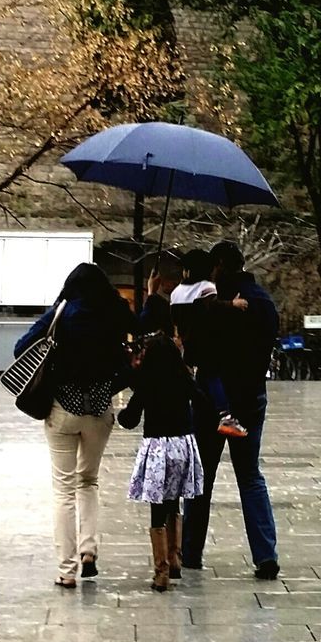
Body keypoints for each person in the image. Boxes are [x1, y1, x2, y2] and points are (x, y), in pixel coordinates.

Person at [14, 263, 135, 588]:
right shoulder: (113, 314)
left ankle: (67, 570)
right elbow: (134, 345)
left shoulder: (63, 312)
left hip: (61, 411)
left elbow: (20, 347)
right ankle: (89, 551)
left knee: (64, 489)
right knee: (89, 481)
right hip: (98, 412)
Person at [181, 240, 280, 579]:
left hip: (213, 403)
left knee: (201, 478)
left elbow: (193, 355)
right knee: (250, 476)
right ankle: (265, 555)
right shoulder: (264, 303)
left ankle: (191, 552)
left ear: (221, 265)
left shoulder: (213, 307)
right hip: (251, 397)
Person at [118, 333, 203, 592]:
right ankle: (176, 558)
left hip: (158, 448)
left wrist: (119, 416)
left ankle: (161, 571)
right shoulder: (183, 378)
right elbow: (201, 401)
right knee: (174, 501)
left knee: (157, 508)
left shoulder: (147, 381)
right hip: (182, 446)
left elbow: (130, 418)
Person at [171, 248, 248, 438]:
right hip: (206, 344)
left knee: (199, 381)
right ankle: (226, 416)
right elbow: (210, 309)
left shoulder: (176, 292)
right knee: (213, 377)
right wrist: (232, 304)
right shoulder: (206, 287)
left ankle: (193, 416)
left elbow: (175, 318)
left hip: (188, 345)